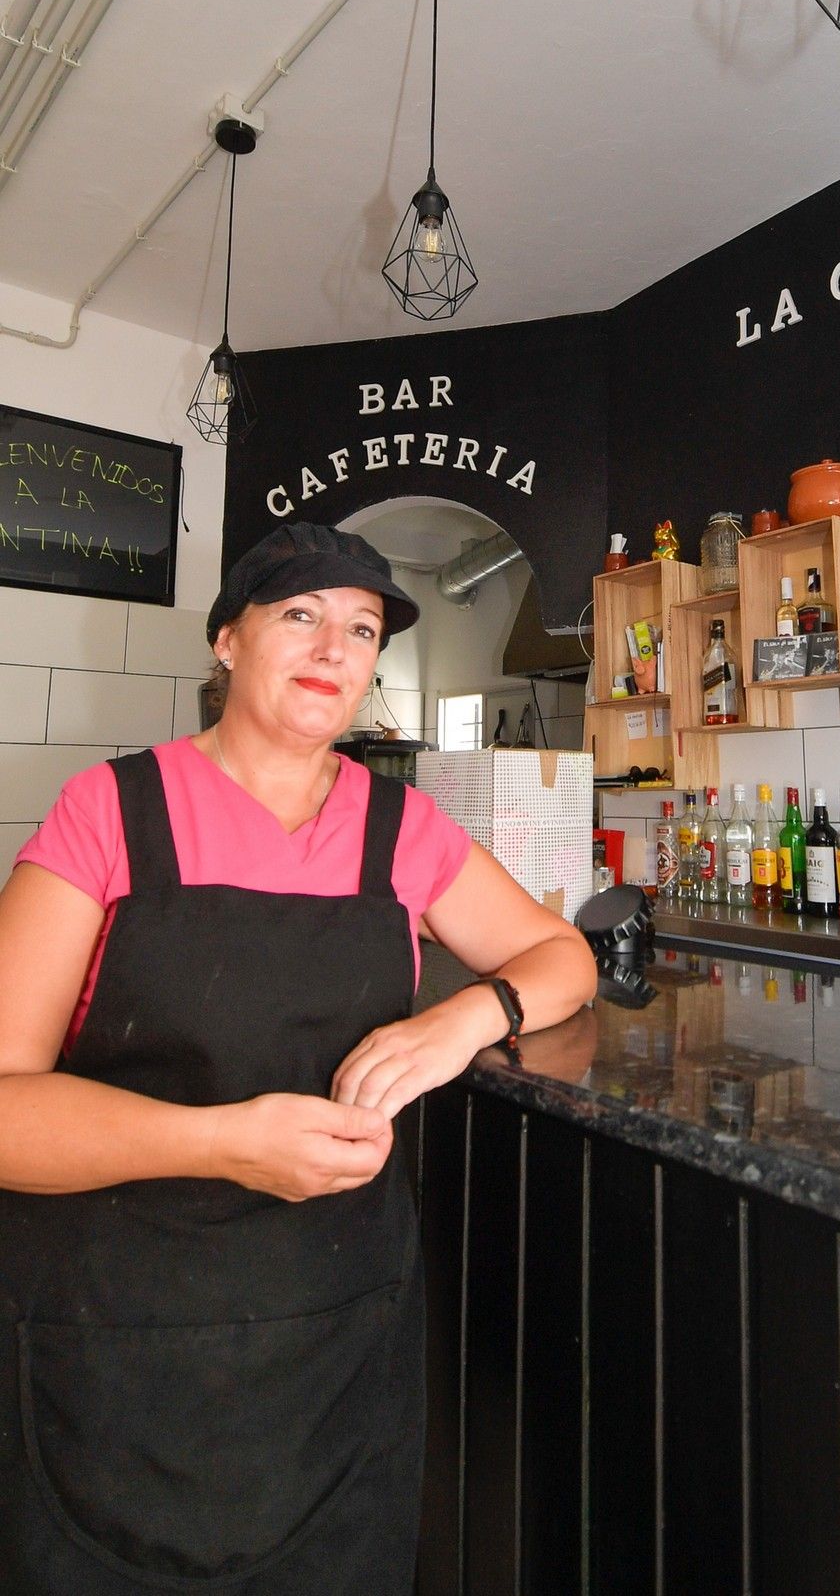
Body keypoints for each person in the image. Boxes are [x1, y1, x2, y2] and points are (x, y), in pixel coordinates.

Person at [0, 520, 596, 1594]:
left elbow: (563, 958)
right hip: (115, 1350)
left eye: (362, 629)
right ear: (228, 640)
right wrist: (221, 1143)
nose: (335, 648)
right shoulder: (111, 813)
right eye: (301, 615)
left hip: (336, 1351)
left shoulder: (399, 829)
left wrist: (460, 1020)